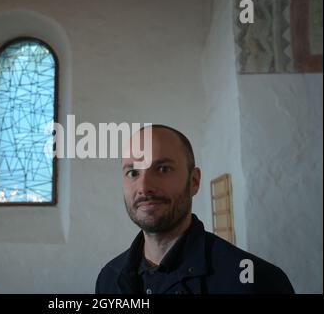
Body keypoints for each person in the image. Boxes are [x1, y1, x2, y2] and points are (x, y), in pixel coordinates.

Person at [95, 125, 294, 294]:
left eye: (163, 169)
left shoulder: (257, 281)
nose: (144, 187)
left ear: (194, 181)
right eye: (133, 172)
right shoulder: (109, 279)